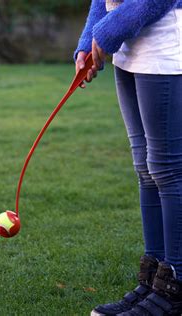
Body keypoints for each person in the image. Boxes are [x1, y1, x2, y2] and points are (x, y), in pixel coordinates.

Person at [74, 0, 182, 315]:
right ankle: (154, 281)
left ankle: (175, 287)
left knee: (168, 170)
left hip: (163, 46)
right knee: (145, 168)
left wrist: (107, 31)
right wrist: (87, 42)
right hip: (127, 48)